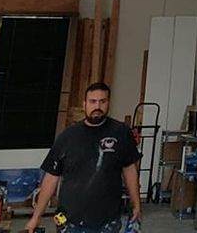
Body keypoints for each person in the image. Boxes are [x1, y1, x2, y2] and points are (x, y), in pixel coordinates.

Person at [26, 82, 142, 233]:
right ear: (84, 104)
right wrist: (36, 217)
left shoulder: (121, 133)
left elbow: (129, 169)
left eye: (102, 101)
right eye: (93, 101)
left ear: (108, 103)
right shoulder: (67, 137)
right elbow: (51, 178)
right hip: (70, 222)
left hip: (107, 222)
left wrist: (136, 204)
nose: (97, 106)